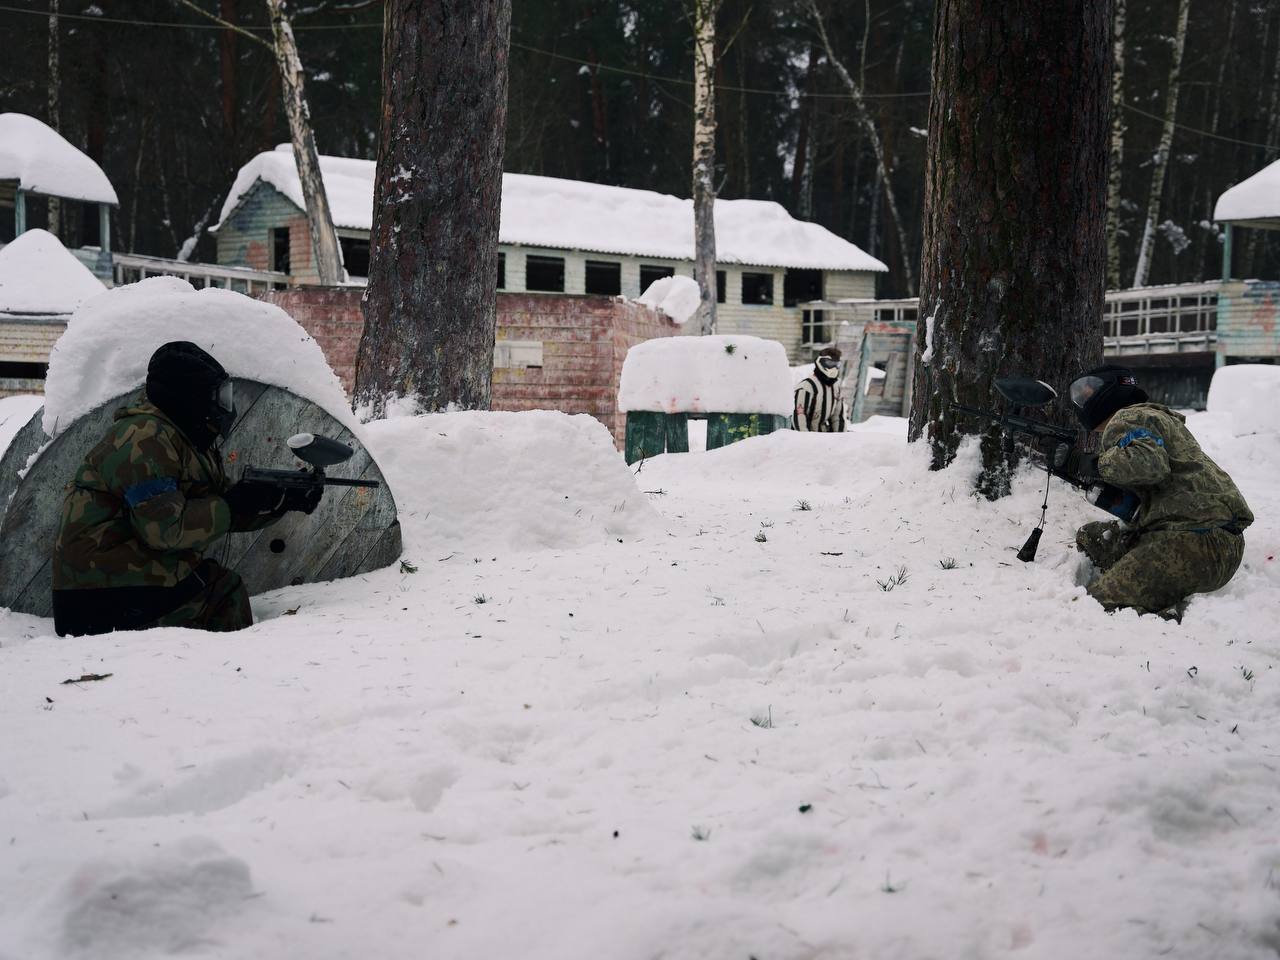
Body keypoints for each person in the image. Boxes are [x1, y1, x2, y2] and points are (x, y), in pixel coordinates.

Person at [51, 341, 321, 636]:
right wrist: (234, 505)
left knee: (219, 583)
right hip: (98, 598)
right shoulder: (144, 437)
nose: (225, 407)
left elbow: (220, 506)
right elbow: (164, 529)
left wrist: (280, 500)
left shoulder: (180, 437)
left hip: (125, 582)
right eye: (218, 396)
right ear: (189, 397)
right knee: (223, 592)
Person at [1056, 364, 1253, 621]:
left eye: (1087, 392)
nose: (1081, 400)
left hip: (1194, 543)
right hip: (1218, 542)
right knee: (1092, 537)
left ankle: (1156, 617)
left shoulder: (1126, 417)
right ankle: (1151, 588)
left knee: (1092, 609)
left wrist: (1091, 464)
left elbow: (1149, 463)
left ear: (1111, 390)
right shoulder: (1153, 418)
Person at [793, 346, 846, 432]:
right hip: (805, 436)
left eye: (836, 364)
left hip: (823, 435)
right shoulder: (806, 387)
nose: (833, 368)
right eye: (829, 363)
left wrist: (840, 437)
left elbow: (837, 417)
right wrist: (805, 438)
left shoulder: (835, 388)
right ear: (820, 362)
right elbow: (800, 416)